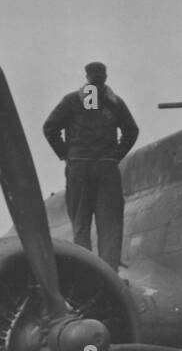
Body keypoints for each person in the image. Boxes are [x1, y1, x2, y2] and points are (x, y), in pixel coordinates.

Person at [43, 62, 139, 271]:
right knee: (109, 225)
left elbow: (50, 128)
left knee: (81, 224)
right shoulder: (114, 103)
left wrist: (66, 154)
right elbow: (132, 131)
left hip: (82, 168)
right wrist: (115, 156)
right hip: (103, 168)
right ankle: (108, 272)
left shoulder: (73, 101)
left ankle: (85, 273)